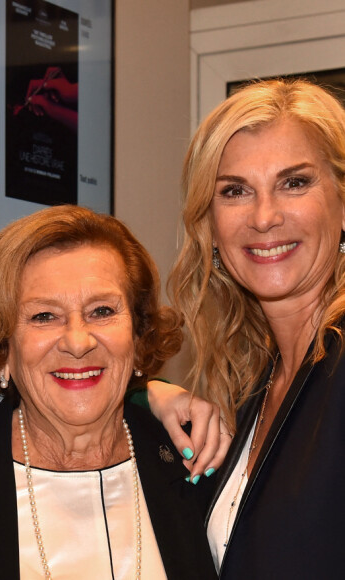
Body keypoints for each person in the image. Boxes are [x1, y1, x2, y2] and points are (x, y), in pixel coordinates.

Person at [0, 205, 217, 579]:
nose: (77, 341)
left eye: (102, 311)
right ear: (3, 348)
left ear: (139, 338)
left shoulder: (198, 464)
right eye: (44, 316)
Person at [148, 78, 345, 578]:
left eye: (295, 182)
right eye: (235, 191)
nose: (264, 217)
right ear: (209, 226)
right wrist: (144, 394)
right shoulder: (254, 384)